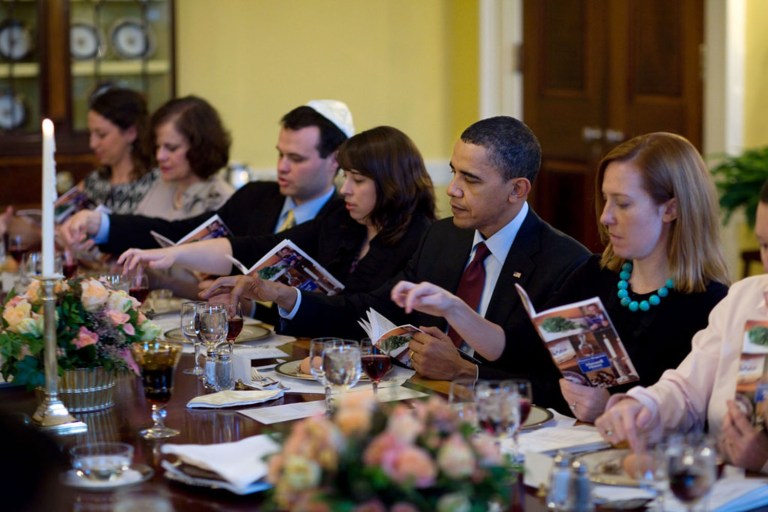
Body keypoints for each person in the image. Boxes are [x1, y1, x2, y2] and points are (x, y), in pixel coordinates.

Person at [199, 116, 591, 407]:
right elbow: (372, 309)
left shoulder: (565, 263)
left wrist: (466, 372)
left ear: (516, 190)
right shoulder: (444, 237)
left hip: (512, 425)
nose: (452, 189)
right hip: (419, 407)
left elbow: (565, 385)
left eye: (470, 180)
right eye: (454, 172)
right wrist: (282, 294)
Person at [392, 132, 730, 417]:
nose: (606, 217)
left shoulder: (710, 304)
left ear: (671, 208)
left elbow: (695, 417)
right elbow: (518, 349)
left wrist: (609, 406)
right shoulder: (597, 274)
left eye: (623, 204)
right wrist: (453, 308)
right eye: (605, 200)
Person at [118, 126, 436, 296]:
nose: (345, 190)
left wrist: (281, 296)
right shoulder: (343, 221)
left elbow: (361, 310)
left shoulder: (422, 238)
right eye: (346, 178)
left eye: (358, 180)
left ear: (390, 183)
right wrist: (176, 254)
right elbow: (260, 248)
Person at [594, 181, 768, 473]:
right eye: (764, 245)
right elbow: (687, 390)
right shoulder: (745, 297)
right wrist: (642, 408)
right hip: (719, 493)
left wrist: (763, 460)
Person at [60, 100, 352, 255]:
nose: (282, 167)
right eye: (280, 154)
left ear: (334, 161)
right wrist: (103, 224)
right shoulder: (256, 197)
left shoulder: (345, 219)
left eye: (296, 159)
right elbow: (180, 233)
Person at [132, 95, 234, 220]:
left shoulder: (220, 201)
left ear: (199, 148)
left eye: (172, 148)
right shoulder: (160, 185)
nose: (160, 156)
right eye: (157, 147)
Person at [80, 86, 156, 213]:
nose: (92, 144)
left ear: (131, 133)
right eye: (90, 133)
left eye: (102, 134)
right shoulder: (92, 182)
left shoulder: (155, 184)